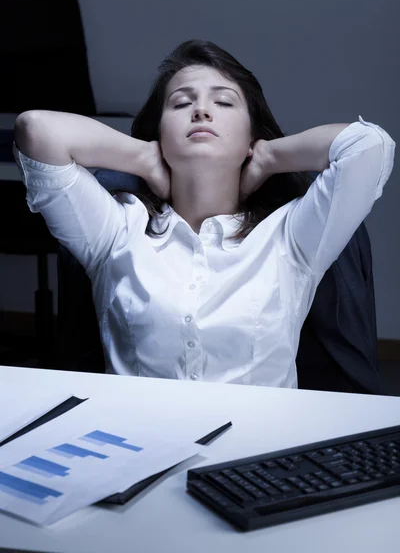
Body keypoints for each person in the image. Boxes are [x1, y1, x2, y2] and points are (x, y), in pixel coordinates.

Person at [13, 39, 395, 388]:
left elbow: (369, 145)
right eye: (181, 103)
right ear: (159, 133)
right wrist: (142, 158)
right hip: (136, 443)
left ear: (250, 136)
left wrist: (268, 156)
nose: (201, 110)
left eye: (224, 102)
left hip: (258, 448)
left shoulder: (292, 236)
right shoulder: (115, 229)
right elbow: (37, 131)